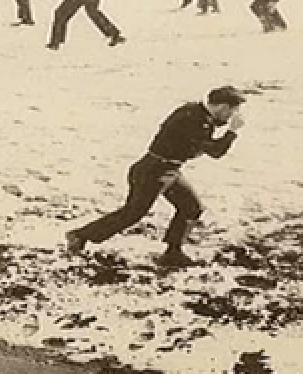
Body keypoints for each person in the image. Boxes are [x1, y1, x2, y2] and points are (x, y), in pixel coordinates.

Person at [66, 86, 247, 268]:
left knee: (191, 207)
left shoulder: (196, 113)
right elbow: (216, 152)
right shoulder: (193, 120)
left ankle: (173, 253)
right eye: (231, 111)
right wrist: (232, 131)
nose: (230, 117)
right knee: (132, 214)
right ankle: (80, 235)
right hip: (153, 172)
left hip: (168, 170)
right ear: (222, 107)